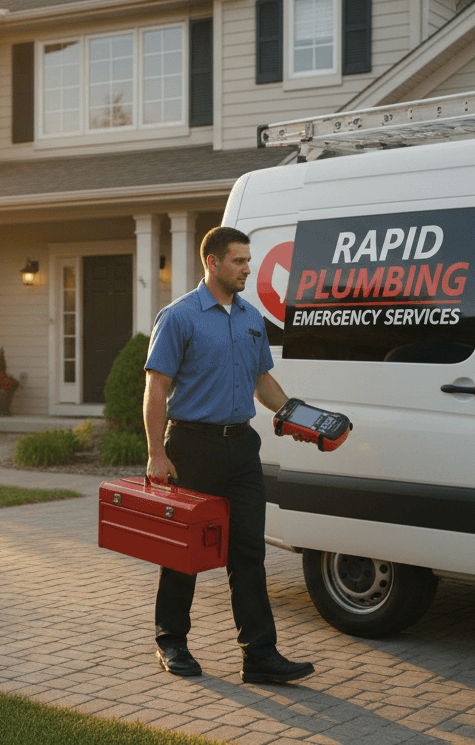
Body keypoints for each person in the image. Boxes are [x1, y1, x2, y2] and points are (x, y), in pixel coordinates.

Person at [143, 225, 315, 684]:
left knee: (247, 551)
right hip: (192, 447)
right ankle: (172, 642)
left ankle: (259, 654)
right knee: (185, 551)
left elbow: (263, 383)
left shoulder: (250, 317)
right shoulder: (178, 317)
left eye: (248, 260)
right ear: (213, 263)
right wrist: (157, 454)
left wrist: (298, 416)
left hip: (241, 446)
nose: (247, 268)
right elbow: (156, 386)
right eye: (239, 261)